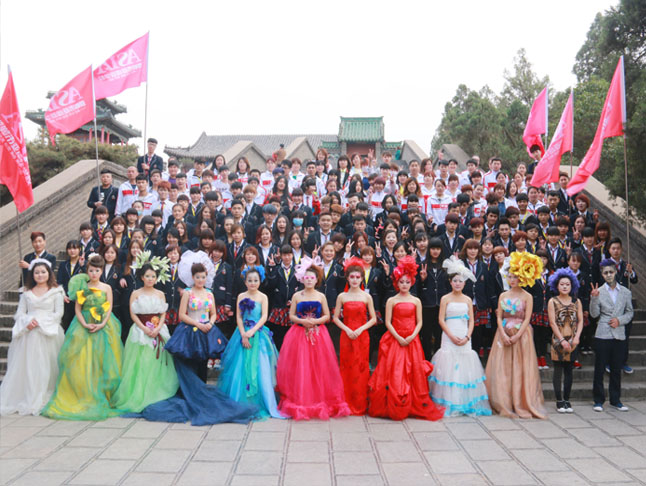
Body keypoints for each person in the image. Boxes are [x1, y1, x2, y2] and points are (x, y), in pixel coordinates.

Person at [140, 263, 258, 425]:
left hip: (206, 331)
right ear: (192, 277)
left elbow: (214, 313)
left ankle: (202, 398)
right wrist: (197, 324)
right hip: (190, 331)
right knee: (190, 363)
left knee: (204, 364)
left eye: (203, 277)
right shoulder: (187, 293)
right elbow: (182, 315)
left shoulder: (209, 293)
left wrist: (210, 323)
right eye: (197, 277)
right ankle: (190, 396)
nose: (200, 280)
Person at [42, 255, 124, 420]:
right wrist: (85, 324)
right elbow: (78, 309)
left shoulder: (107, 287)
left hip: (104, 324)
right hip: (83, 324)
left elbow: (109, 308)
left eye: (97, 271)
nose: (94, 274)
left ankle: (102, 393)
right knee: (82, 360)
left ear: (101, 271)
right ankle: (83, 393)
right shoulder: (83, 287)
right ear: (87, 271)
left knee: (103, 360)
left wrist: (102, 323)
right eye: (91, 270)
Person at [368, 256, 445, 421]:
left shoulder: (416, 300)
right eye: (401, 282)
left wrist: (411, 336)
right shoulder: (392, 300)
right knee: (395, 371)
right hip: (395, 338)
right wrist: (398, 337)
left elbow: (420, 322)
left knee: (412, 371)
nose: (404, 285)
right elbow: (388, 322)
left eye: (407, 282)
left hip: (412, 339)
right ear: (397, 283)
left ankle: (412, 403)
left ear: (412, 283)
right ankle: (394, 402)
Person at [276, 258, 351, 420]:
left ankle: (319, 397)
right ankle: (301, 398)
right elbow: (291, 315)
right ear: (302, 279)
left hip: (318, 334)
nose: (309, 280)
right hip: (299, 334)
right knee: (300, 366)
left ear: (317, 280)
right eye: (306, 277)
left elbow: (327, 315)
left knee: (319, 366)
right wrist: (302, 321)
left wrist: (315, 322)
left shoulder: (321, 296)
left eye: (312, 278)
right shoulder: (297, 295)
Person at [112, 259, 179, 413]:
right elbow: (133, 314)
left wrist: (158, 328)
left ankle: (156, 391)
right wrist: (144, 328)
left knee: (156, 362)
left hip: (158, 330)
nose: (150, 279)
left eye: (153, 276)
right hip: (140, 330)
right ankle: (138, 392)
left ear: (157, 278)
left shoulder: (160, 294)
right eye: (147, 276)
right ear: (142, 277)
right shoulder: (135, 293)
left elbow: (163, 313)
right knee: (140, 362)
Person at [485, 252, 546, 419]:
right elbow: (499, 316)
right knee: (503, 368)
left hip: (522, 334)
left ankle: (520, 401)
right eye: (510, 277)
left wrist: (518, 335)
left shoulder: (527, 296)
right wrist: (503, 333)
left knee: (520, 368)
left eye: (515, 277)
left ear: (522, 278)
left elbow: (527, 318)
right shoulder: (503, 295)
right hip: (503, 333)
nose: (512, 280)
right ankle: (504, 401)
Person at [217, 266, 284, 419]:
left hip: (258, 333)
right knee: (240, 367)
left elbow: (264, 316)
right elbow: (239, 317)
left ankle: (261, 401)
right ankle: (239, 401)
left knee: (260, 367)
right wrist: (243, 334)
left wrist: (252, 332)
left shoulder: (263, 297)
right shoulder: (241, 296)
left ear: (260, 281)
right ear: (245, 282)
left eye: (255, 280)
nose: (253, 283)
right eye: (250, 280)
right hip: (242, 333)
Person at [1, 260, 65, 415]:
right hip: (29, 334)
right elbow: (19, 313)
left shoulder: (56, 292)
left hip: (48, 332)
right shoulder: (26, 293)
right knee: (30, 366)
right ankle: (28, 395)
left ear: (49, 273)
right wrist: (27, 322)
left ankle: (45, 393)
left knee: (47, 366)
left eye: (43, 272)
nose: (40, 275)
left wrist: (41, 322)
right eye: (37, 272)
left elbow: (58, 313)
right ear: (32, 275)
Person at [428, 257, 491, 417]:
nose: (457, 283)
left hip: (464, 336)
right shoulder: (445, 298)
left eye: (460, 281)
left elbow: (472, 321)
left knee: (464, 366)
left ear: (464, 283)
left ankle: (463, 402)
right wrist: (450, 335)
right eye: (455, 280)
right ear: (450, 282)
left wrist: (467, 336)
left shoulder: (468, 300)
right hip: (449, 335)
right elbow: (441, 319)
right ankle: (449, 402)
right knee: (448, 366)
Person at [332, 257, 377, 415]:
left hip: (362, 336)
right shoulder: (342, 296)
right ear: (347, 278)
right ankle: (346, 401)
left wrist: (360, 329)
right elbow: (335, 318)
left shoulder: (367, 297)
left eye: (358, 277)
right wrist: (347, 329)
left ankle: (360, 402)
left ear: (362, 278)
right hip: (346, 335)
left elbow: (373, 319)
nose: (355, 280)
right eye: (352, 277)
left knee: (361, 368)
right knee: (346, 367)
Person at [590, 260, 634, 412]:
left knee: (616, 369)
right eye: (605, 273)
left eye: (611, 272)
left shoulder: (626, 292)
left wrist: (619, 320)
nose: (608, 275)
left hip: (619, 334)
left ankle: (616, 400)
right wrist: (594, 298)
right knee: (599, 368)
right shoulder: (599, 291)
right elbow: (594, 314)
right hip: (603, 333)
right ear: (602, 275)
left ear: (615, 272)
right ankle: (598, 400)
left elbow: (630, 312)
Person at [547, 268, 583, 413]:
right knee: (558, 370)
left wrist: (577, 337)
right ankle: (559, 401)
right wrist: (561, 340)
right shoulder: (552, 301)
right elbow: (552, 322)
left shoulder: (577, 301)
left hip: (573, 340)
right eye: (562, 284)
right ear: (556, 285)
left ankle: (567, 399)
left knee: (569, 370)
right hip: (558, 340)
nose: (564, 286)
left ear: (572, 285)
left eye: (567, 284)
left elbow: (580, 321)